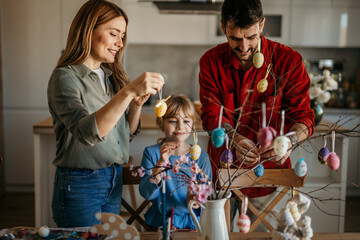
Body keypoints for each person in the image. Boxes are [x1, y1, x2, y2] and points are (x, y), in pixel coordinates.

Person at [198, 0, 315, 230]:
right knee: (217, 234)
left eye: (250, 37)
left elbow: (304, 117)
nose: (243, 47)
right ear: (223, 27)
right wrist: (235, 139)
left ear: (262, 25)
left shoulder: (288, 61)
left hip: (269, 178)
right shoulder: (210, 62)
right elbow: (212, 115)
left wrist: (289, 141)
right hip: (222, 174)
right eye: (235, 38)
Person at [47, 0, 164, 227]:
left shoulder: (109, 76)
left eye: (122, 36)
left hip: (113, 179)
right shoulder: (65, 77)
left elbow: (123, 135)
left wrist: (136, 105)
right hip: (80, 184)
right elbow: (88, 132)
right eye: (114, 34)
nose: (120, 43)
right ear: (89, 30)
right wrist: (128, 91)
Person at [139, 95, 212, 230]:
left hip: (193, 224)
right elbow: (147, 193)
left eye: (186, 121)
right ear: (161, 123)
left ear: (193, 124)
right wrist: (162, 161)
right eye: (173, 121)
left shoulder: (201, 157)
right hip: (160, 224)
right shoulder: (152, 153)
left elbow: (208, 195)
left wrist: (197, 200)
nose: (180, 126)